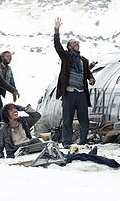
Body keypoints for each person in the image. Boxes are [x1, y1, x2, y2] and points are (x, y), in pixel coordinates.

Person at [53, 17, 95, 148]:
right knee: (68, 119)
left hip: (81, 93)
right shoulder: (66, 57)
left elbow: (87, 73)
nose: (77, 44)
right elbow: (57, 46)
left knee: (84, 119)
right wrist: (56, 30)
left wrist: (91, 78)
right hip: (69, 92)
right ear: (69, 47)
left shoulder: (83, 60)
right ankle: (67, 142)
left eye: (77, 42)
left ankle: (83, 140)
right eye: (74, 43)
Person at [0, 51, 16, 131]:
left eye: (10, 56)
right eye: (7, 56)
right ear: (2, 57)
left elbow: (11, 81)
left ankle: (1, 131)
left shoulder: (9, 69)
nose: (9, 58)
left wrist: (14, 91)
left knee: (0, 111)